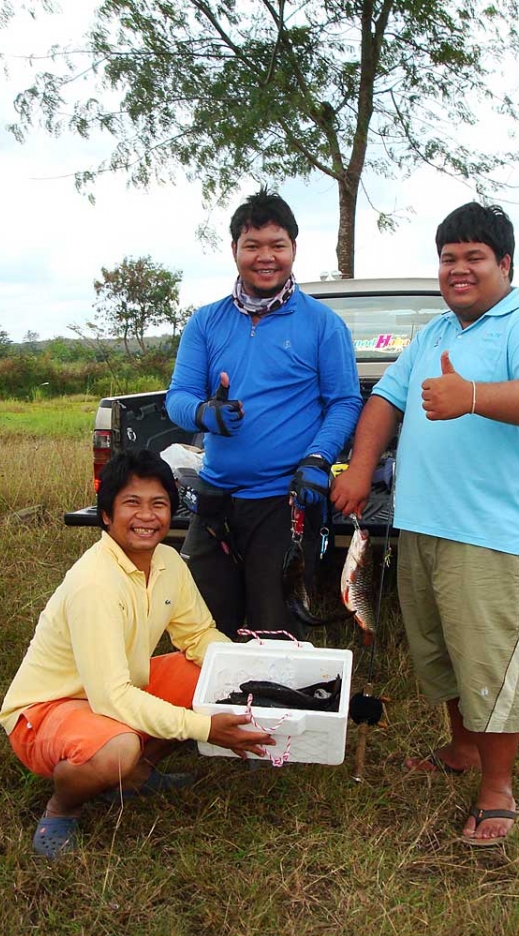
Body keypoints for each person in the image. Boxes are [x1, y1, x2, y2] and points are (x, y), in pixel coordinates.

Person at [331, 202, 519, 846]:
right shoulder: (435, 334)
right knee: (437, 649)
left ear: (505, 264)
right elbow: (386, 398)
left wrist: (471, 396)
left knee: (488, 660)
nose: (458, 270)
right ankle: (462, 748)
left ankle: (498, 791)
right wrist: (358, 470)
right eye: (448, 258)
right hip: (422, 524)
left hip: (489, 531)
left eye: (474, 258)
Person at [0, 450, 274, 859]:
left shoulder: (166, 561)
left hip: (113, 689)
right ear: (106, 515)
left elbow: (197, 633)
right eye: (132, 503)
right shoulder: (95, 584)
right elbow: (112, 697)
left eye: (158, 504)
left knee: (208, 672)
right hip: (47, 711)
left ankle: (136, 775)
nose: (147, 515)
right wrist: (204, 727)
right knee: (117, 748)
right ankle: (62, 807)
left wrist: (248, 670)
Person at [165, 186, 362, 638]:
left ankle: (274, 706)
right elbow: (177, 397)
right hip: (215, 500)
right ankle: (214, 709)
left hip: (285, 503)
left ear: (294, 249)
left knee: (277, 631)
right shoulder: (206, 322)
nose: (265, 256)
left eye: (277, 245)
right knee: (204, 628)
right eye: (252, 245)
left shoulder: (322, 323)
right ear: (235, 249)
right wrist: (203, 413)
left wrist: (318, 458)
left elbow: (345, 401)